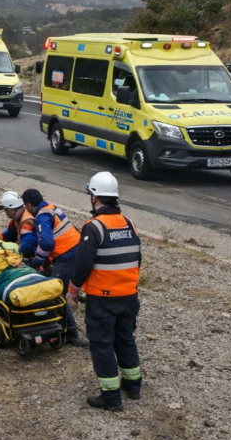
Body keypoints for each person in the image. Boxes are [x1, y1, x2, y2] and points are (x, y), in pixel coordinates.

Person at [67, 172, 143, 411]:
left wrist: (72, 291)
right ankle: (133, 386)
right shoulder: (129, 223)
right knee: (125, 339)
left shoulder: (94, 227)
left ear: (94, 197)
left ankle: (110, 397)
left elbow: (82, 265)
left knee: (102, 345)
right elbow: (136, 258)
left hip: (103, 299)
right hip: (129, 296)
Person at [19, 188, 89, 347]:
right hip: (75, 250)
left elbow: (46, 243)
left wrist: (37, 261)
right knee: (57, 287)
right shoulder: (50, 208)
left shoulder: (42, 216)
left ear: (28, 204)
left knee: (55, 293)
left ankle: (71, 334)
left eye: (25, 206)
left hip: (67, 255)